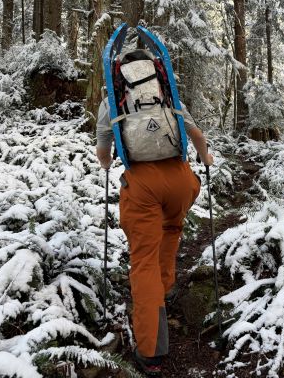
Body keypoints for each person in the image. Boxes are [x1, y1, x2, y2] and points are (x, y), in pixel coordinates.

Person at [95, 65, 213, 376]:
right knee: (170, 228)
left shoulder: (112, 100)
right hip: (181, 182)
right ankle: (165, 288)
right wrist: (207, 158)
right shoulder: (166, 94)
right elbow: (196, 134)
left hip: (143, 184)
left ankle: (151, 350)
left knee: (144, 259)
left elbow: (103, 151)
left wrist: (107, 163)